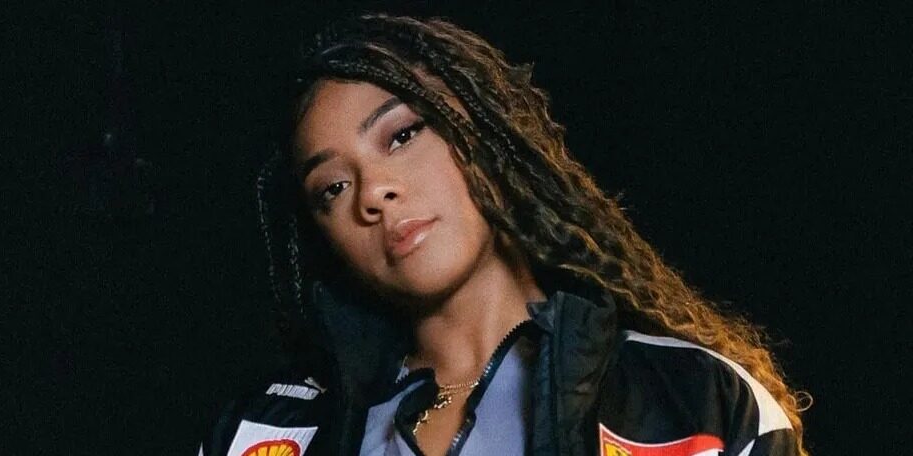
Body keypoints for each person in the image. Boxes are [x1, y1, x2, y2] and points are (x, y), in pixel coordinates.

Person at [198, 13, 808, 456]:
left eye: (403, 135)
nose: (373, 191)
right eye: (332, 187)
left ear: (484, 135)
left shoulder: (697, 403)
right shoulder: (262, 433)